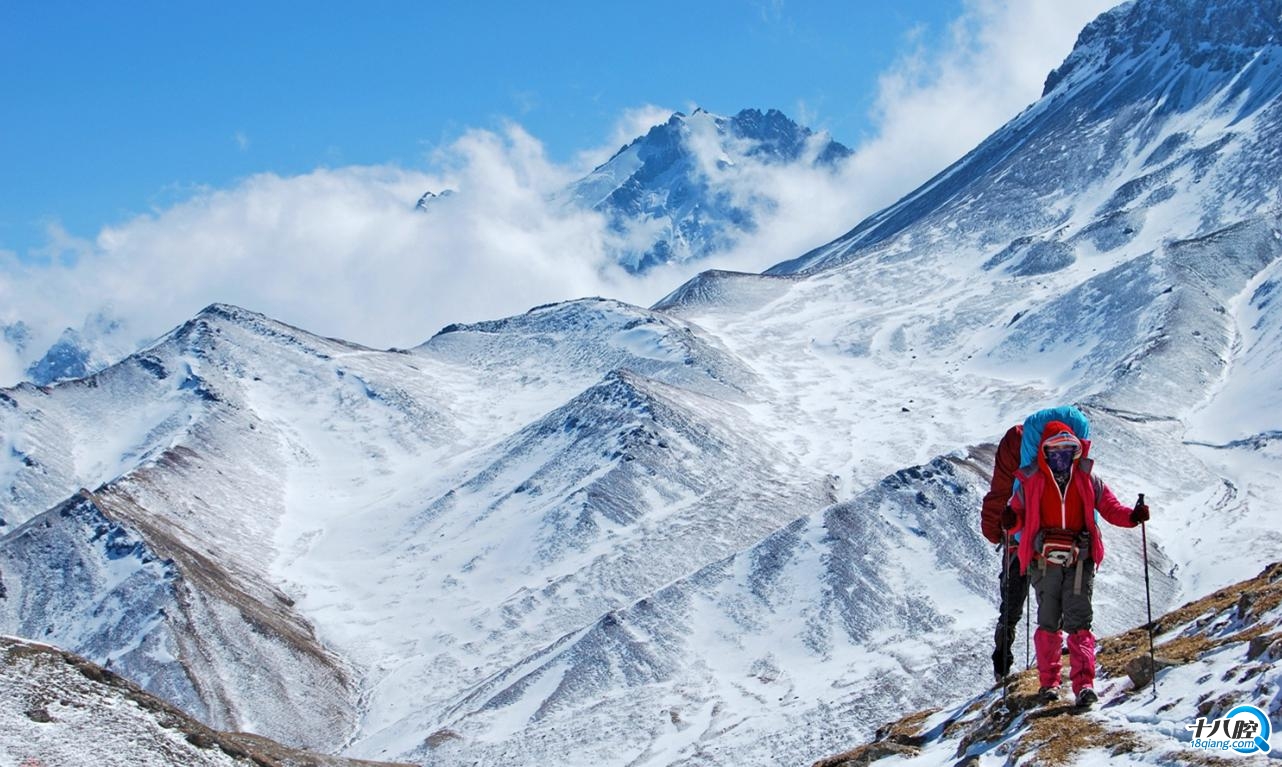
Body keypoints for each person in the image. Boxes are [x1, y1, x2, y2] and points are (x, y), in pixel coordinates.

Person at [1004, 419, 1149, 707]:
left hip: (1076, 560)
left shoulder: (1085, 480)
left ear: (1076, 451)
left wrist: (1133, 517)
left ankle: (1084, 684)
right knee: (1049, 622)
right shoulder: (1031, 481)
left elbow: (1110, 508)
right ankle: (1051, 684)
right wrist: (1011, 520)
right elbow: (1016, 515)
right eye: (1056, 451)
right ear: (1045, 452)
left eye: (1067, 450)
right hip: (1047, 561)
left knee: (1078, 621)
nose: (1062, 457)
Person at [980, 423, 1025, 682]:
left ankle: (1002, 668)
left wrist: (995, 532)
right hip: (1050, 540)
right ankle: (1056, 661)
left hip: (1016, 543)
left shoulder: (1014, 446)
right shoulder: (1059, 452)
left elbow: (999, 493)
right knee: (1054, 602)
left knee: (1010, 608)